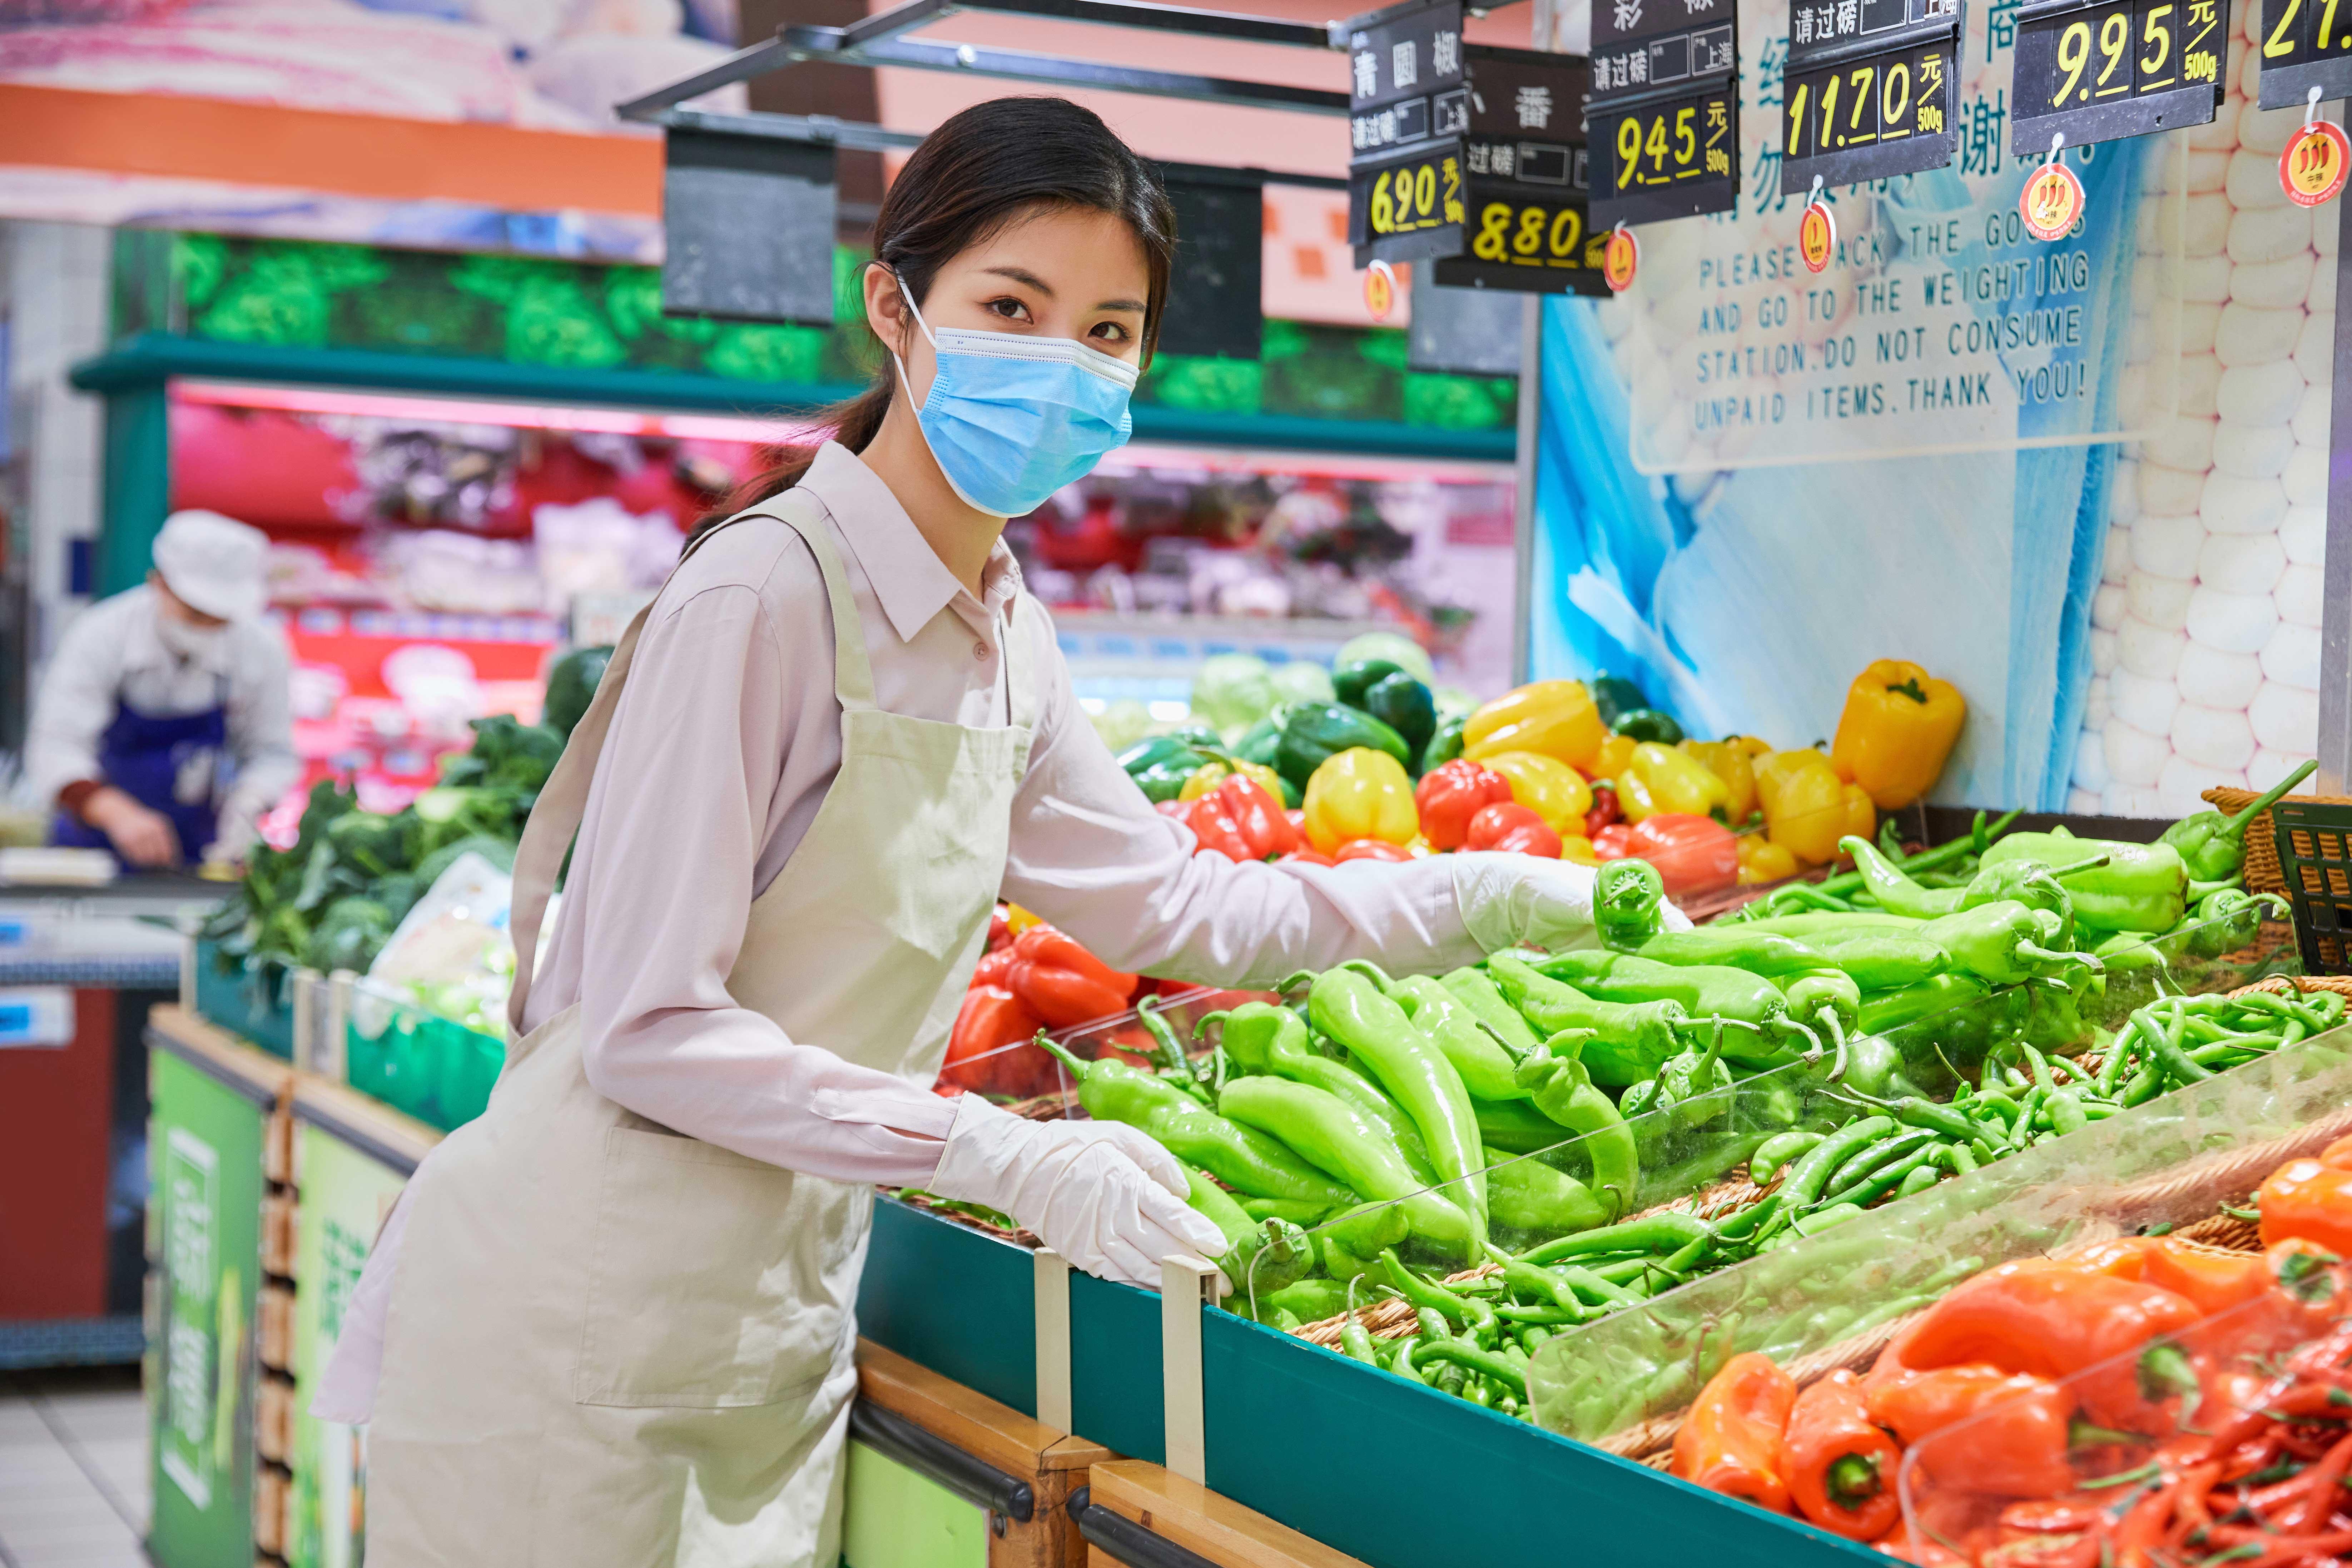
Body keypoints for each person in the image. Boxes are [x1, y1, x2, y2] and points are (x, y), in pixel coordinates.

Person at [317, 97, 1687, 1567]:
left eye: (1108, 330)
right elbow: (647, 1026)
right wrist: (1008, 1154)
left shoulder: (1001, 632)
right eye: (1011, 306)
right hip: (567, 1317)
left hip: (770, 1315)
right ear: (894, 308)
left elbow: (1176, 912)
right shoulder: (764, 598)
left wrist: (1485, 893)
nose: (1061, 361)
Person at [27, 509, 296, 870]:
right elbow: (57, 744)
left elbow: (273, 752)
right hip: (93, 851)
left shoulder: (261, 649)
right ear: (159, 583)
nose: (207, 627)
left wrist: (250, 802)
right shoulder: (102, 634)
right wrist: (115, 812)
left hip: (197, 848)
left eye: (220, 619)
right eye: (195, 614)